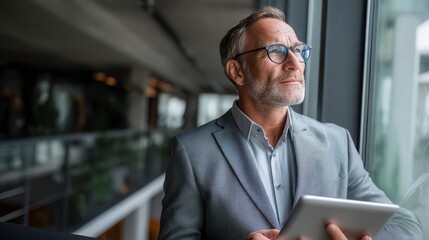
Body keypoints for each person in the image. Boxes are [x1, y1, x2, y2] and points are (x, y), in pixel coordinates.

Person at [158, 6, 423, 240]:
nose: (295, 63)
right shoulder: (193, 152)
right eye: (276, 51)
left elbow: (406, 226)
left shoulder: (337, 143)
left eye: (298, 50)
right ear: (237, 72)